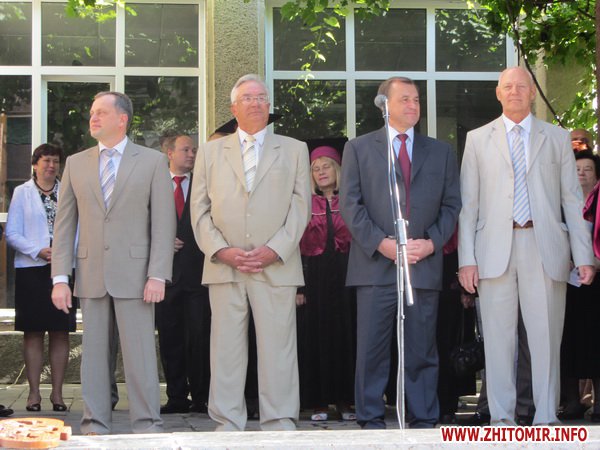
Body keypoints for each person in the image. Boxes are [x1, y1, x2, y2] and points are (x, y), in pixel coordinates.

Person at [458, 66, 595, 426]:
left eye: (522, 86)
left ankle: (546, 416)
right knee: (497, 340)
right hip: (493, 249)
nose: (515, 91)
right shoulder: (477, 139)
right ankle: (502, 419)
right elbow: (469, 206)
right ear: (498, 93)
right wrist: (466, 260)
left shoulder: (557, 137)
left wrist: (584, 255)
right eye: (508, 86)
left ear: (533, 92)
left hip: (544, 245)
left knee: (546, 337)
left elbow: (571, 200)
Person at [190, 73, 311, 431]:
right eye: (248, 98)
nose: (256, 103)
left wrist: (275, 250)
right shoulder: (210, 152)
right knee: (225, 349)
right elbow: (199, 210)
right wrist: (220, 250)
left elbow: (300, 209)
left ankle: (280, 419)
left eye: (262, 97)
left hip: (276, 266)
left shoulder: (294, 149)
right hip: (225, 267)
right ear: (233, 108)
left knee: (278, 349)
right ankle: (227, 420)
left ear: (269, 105)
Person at [51, 91, 176, 434]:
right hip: (90, 274)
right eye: (92, 112)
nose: (93, 118)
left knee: (140, 356)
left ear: (123, 119)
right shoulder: (76, 163)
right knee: (93, 356)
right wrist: (60, 278)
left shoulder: (152, 162)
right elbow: (64, 225)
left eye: (101, 112)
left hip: (137, 276)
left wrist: (158, 274)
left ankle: (147, 424)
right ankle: (94, 424)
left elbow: (163, 224)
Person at [339, 76, 461, 429]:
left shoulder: (441, 152)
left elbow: (452, 205)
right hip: (375, 265)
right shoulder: (359, 149)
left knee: (421, 348)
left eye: (416, 99)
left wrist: (432, 242)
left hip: (421, 263)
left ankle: (423, 417)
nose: (413, 105)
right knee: (372, 348)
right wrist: (382, 243)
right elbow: (350, 205)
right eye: (404, 99)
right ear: (385, 104)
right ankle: (370, 417)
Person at [6, 143, 75, 413]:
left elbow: (78, 228)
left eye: (55, 161)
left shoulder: (67, 190)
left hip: (63, 268)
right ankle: (33, 393)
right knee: (33, 332)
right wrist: (37, 250)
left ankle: (58, 394)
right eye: (46, 160)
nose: (51, 166)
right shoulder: (22, 193)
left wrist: (63, 252)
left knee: (60, 331)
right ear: (35, 165)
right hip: (31, 269)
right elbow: (12, 233)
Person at [296, 145, 356, 422]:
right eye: (315, 169)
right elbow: (296, 247)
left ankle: (345, 400)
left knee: (347, 336)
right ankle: (318, 402)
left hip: (346, 277)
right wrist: (299, 287)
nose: (321, 172)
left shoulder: (351, 201)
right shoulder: (306, 204)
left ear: (337, 169)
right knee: (315, 338)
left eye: (326, 166)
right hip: (315, 279)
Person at [156, 134, 211, 414]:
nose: (191, 154)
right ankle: (177, 396)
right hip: (165, 277)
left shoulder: (203, 184)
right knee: (170, 338)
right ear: (169, 153)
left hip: (198, 274)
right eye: (185, 149)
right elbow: (141, 222)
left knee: (200, 337)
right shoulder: (155, 185)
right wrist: (162, 242)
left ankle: (202, 396)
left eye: (194, 150)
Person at [559, 150, 600, 421]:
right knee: (568, 340)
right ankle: (572, 401)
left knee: (595, 340)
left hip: (597, 282)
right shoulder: (562, 203)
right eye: (577, 169)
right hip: (568, 281)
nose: (582, 173)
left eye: (588, 169)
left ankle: (598, 402)